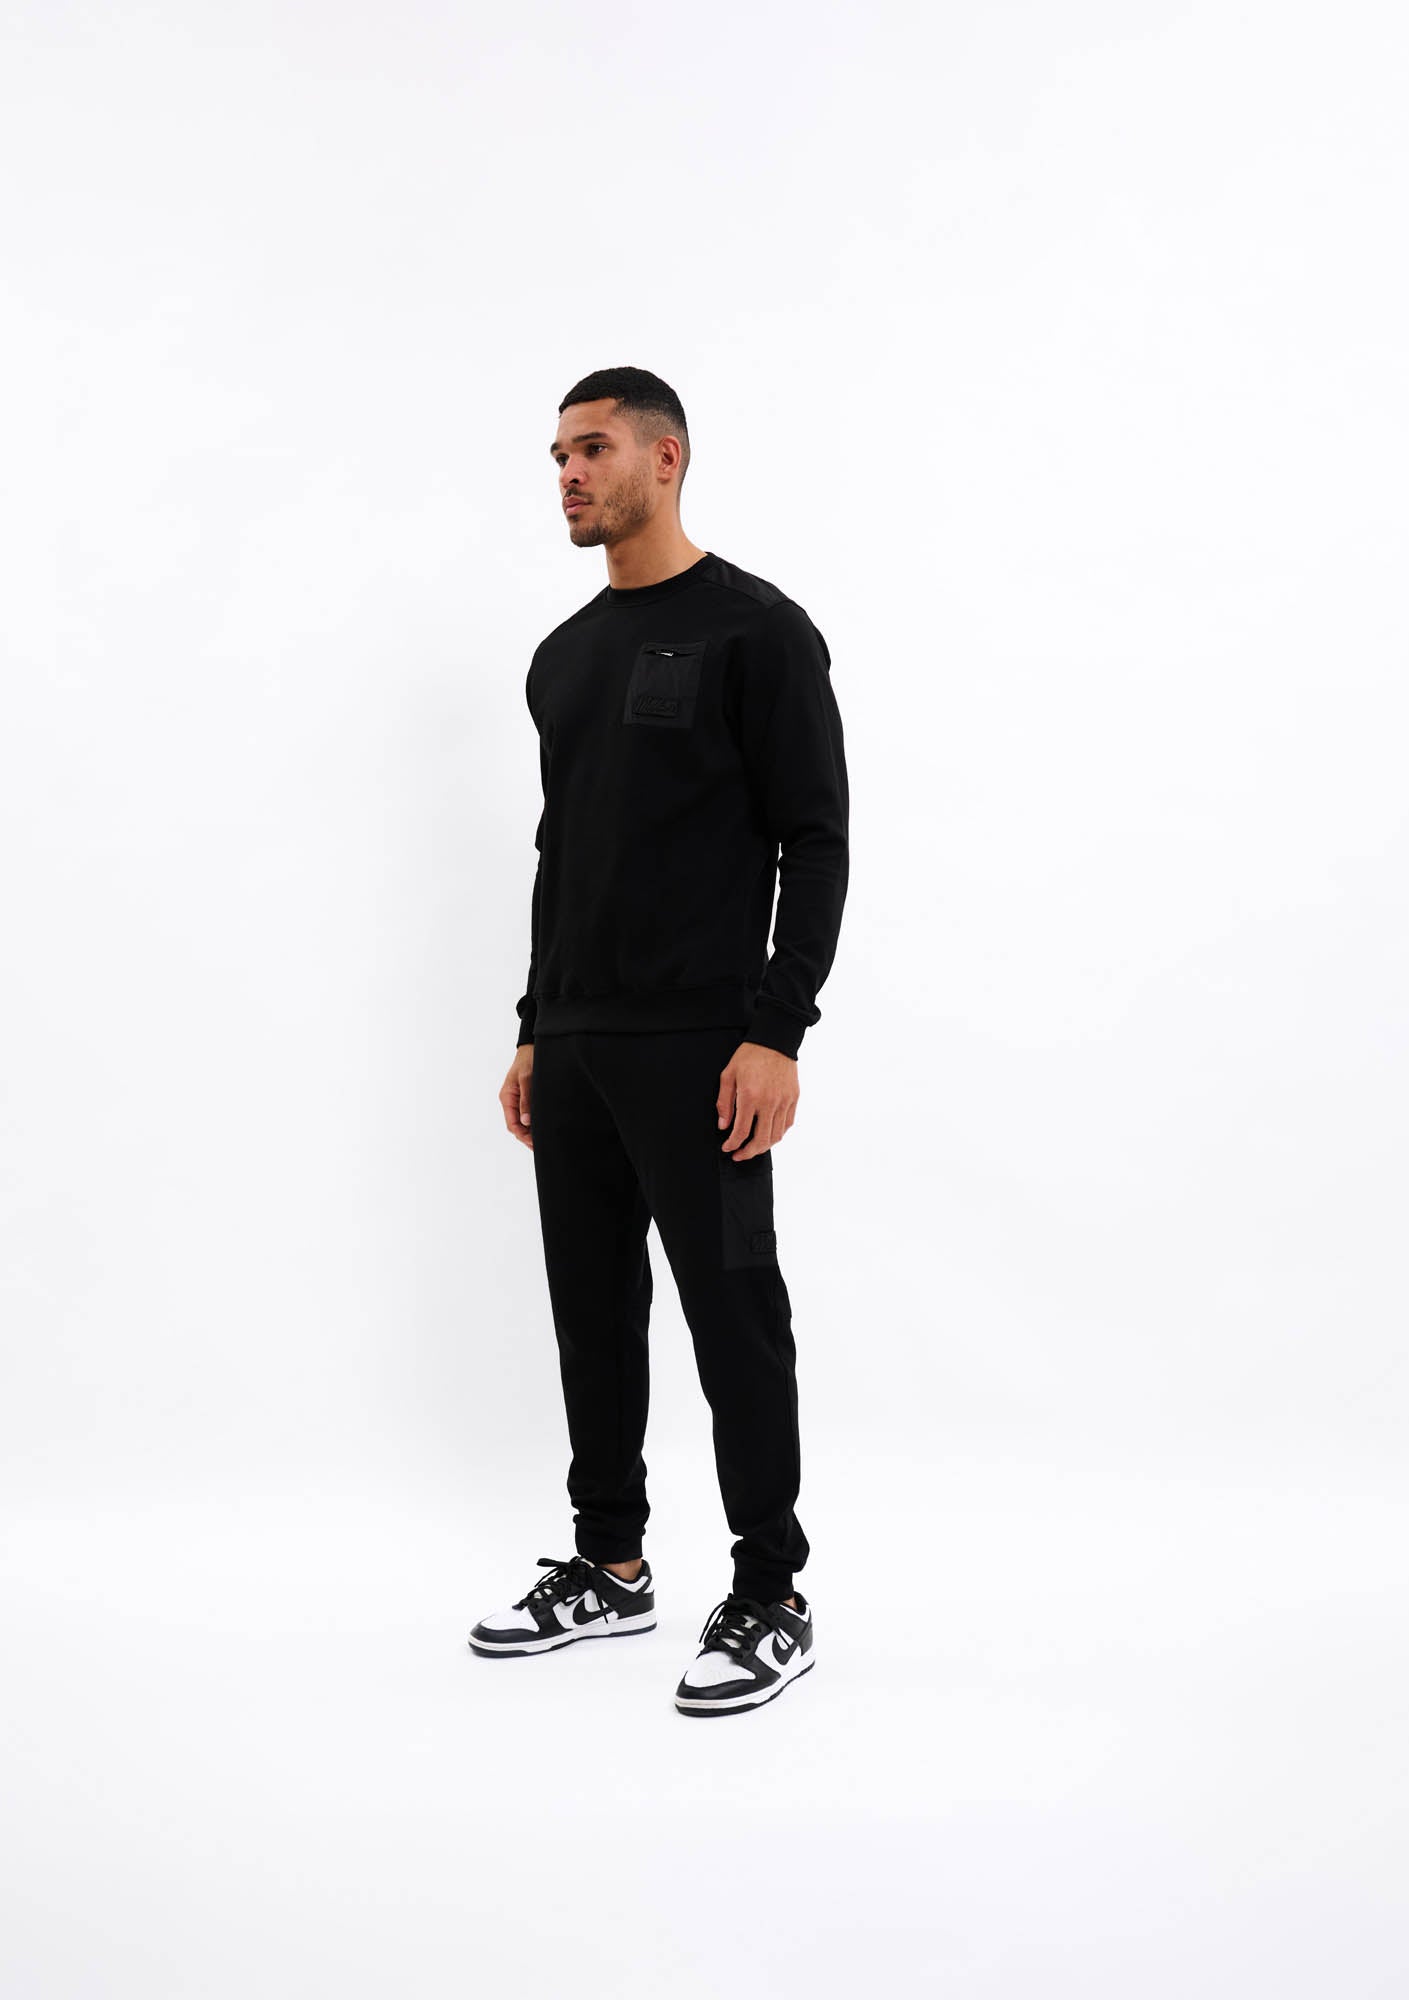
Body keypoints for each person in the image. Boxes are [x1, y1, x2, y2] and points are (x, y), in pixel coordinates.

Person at [468, 366, 850, 1717]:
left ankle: (771, 1590)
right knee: (591, 1314)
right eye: (557, 456)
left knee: (733, 1312)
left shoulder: (759, 632)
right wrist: (535, 1025)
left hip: (703, 1047)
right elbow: (560, 851)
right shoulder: (563, 658)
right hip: (576, 1043)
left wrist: (776, 1031)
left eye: (592, 449)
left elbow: (814, 841)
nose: (568, 475)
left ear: (665, 458)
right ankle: (610, 1563)